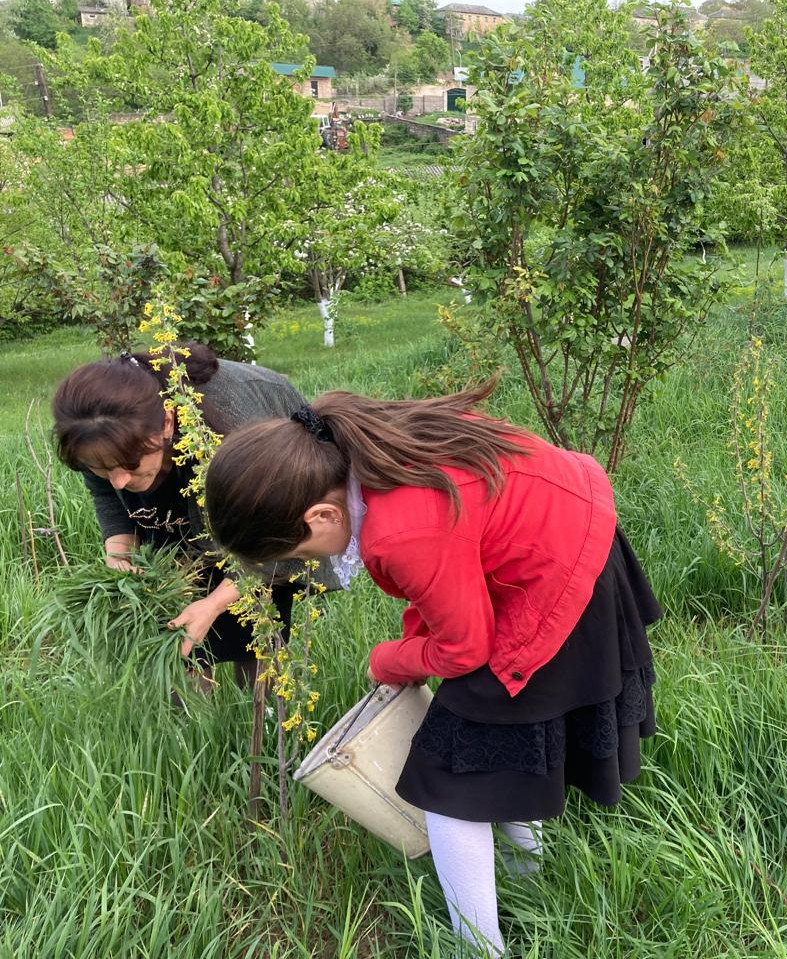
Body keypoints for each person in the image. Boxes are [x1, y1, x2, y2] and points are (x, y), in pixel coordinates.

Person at [203, 382, 659, 958]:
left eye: (298, 553)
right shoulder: (369, 450)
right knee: (500, 746)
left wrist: (388, 660)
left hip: (557, 584)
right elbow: (449, 574)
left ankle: (479, 948)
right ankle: (528, 879)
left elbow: (464, 648)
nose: (307, 563)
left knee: (449, 786)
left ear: (321, 514)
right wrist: (415, 646)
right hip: (574, 539)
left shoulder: (398, 530)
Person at [52, 344, 329, 688]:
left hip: (259, 506)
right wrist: (119, 558)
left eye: (129, 464)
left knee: (254, 634)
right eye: (102, 468)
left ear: (167, 423)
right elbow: (107, 493)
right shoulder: (95, 434)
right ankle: (195, 715)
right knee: (182, 638)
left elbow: (275, 538)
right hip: (179, 503)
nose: (119, 481)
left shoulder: (234, 429)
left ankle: (263, 710)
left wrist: (214, 604)